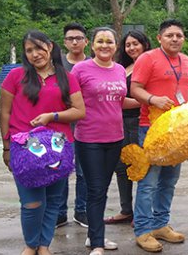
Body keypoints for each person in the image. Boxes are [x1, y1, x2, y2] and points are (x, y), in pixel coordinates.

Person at [0, 30, 85, 255]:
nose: (35, 54)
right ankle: (30, 245)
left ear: (50, 47)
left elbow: (79, 111)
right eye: (29, 50)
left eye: (39, 48)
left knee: (54, 200)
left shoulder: (67, 77)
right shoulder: (16, 76)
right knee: (31, 202)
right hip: (25, 149)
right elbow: (5, 113)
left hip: (59, 147)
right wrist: (6, 146)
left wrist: (52, 116)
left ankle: (44, 245)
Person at [130, 19, 188, 253]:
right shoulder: (147, 58)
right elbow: (134, 88)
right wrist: (152, 99)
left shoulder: (186, 60)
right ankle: (143, 230)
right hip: (152, 128)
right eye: (170, 35)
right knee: (148, 182)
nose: (175, 39)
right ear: (159, 38)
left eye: (179, 35)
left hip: (177, 130)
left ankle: (160, 224)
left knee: (169, 180)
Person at [71, 27, 128, 255]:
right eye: (100, 41)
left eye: (110, 41)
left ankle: (93, 236)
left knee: (102, 189)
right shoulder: (80, 69)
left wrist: (150, 101)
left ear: (116, 45)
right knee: (95, 190)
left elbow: (119, 101)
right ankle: (97, 243)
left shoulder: (120, 69)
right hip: (89, 139)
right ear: (91, 45)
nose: (105, 45)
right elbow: (69, 100)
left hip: (115, 138)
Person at [104, 30, 150, 225]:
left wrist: (136, 102)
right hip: (119, 121)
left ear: (144, 44)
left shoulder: (151, 63)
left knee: (142, 167)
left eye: (135, 43)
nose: (131, 47)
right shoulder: (123, 67)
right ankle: (126, 210)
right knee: (121, 167)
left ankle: (142, 213)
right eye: (128, 45)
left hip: (142, 121)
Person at [59, 22, 90, 228]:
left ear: (86, 41)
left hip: (88, 127)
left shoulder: (93, 63)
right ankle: (60, 213)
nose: (75, 42)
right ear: (65, 42)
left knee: (84, 172)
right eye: (70, 38)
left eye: (79, 38)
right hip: (62, 127)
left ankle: (82, 211)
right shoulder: (58, 63)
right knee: (61, 171)